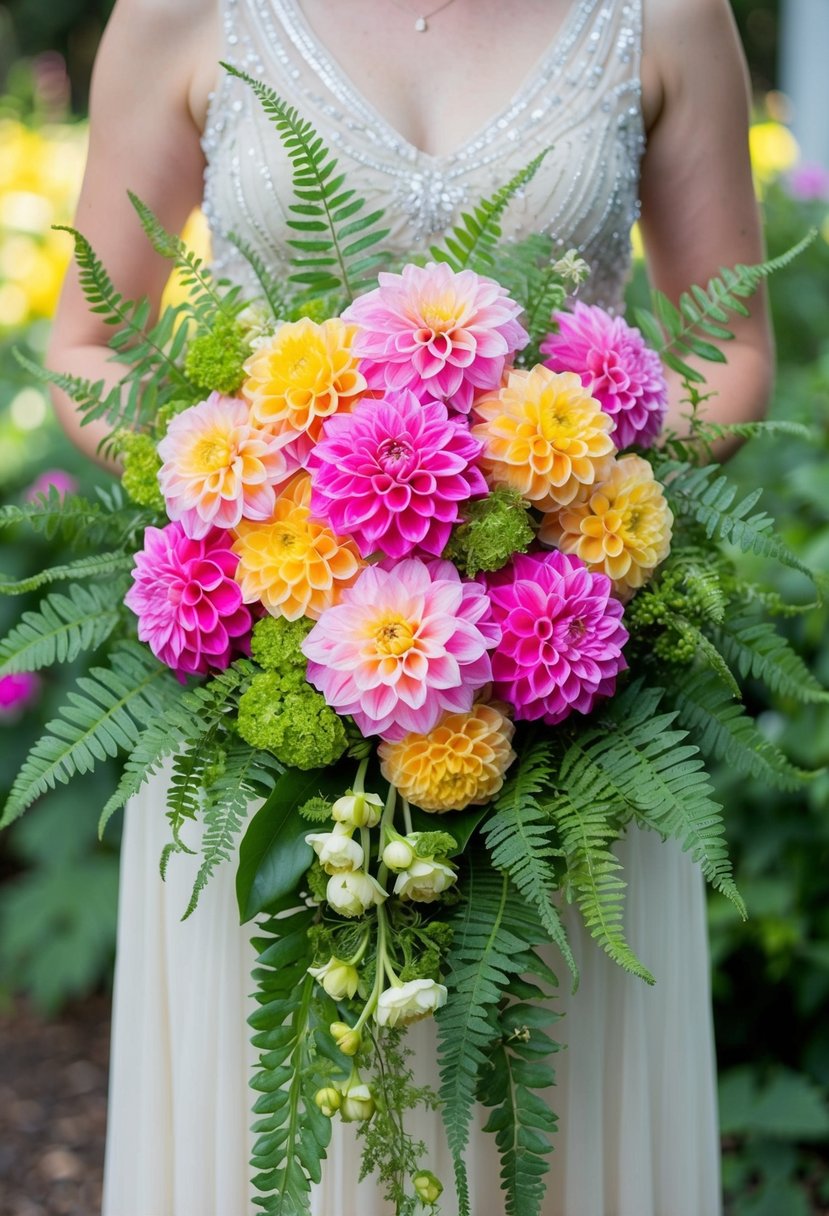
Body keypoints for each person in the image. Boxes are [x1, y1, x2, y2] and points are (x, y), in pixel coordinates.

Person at [48, 1, 772, 1213]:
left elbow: (734, 341)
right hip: (269, 706)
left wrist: (566, 500)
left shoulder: (665, 13)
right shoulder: (180, 10)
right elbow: (87, 337)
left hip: (563, 701)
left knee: (552, 1118)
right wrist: (253, 493)